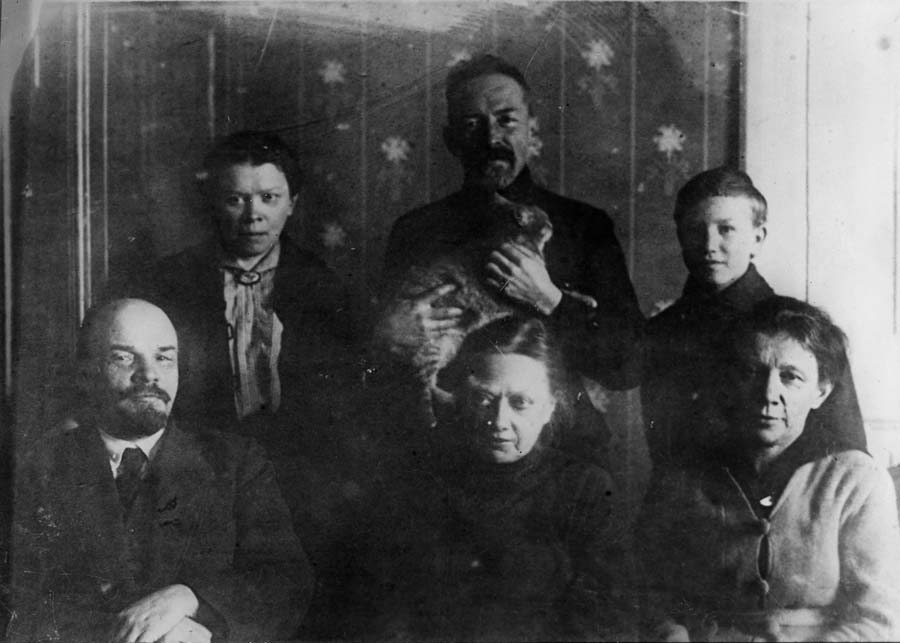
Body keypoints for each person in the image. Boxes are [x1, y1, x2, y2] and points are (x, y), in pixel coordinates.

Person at [108, 131, 368, 638]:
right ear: (213, 202)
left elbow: (345, 409)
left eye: (269, 198)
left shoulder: (328, 290)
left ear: (293, 203)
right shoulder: (167, 284)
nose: (253, 215)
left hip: (305, 483)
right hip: (203, 477)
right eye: (236, 199)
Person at [375, 54, 643, 466]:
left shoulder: (582, 225)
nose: (491, 137)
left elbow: (627, 366)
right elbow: (379, 371)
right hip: (445, 457)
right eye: (472, 124)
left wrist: (550, 300)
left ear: (531, 126)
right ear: (451, 139)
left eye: (507, 120)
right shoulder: (416, 230)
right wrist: (389, 335)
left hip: (560, 456)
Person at [8, 299, 311, 643]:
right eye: (124, 357)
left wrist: (191, 600)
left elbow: (285, 580)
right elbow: (18, 604)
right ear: (86, 373)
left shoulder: (235, 462)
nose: (149, 374)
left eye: (163, 358)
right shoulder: (39, 468)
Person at [636, 296, 900, 641]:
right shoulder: (684, 473)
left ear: (821, 392)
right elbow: (647, 592)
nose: (768, 394)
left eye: (790, 377)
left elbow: (880, 622)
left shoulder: (855, 481)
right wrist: (670, 634)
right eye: (751, 372)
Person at [367, 316, 628, 641]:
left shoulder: (583, 487)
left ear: (549, 408)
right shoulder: (421, 480)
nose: (499, 420)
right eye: (483, 399)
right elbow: (388, 609)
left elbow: (601, 617)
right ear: (461, 399)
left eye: (521, 403)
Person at [642, 167, 865, 468]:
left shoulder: (801, 331)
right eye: (695, 230)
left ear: (758, 239)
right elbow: (663, 452)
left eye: (726, 229)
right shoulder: (661, 331)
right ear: (680, 237)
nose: (709, 245)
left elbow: (848, 457)